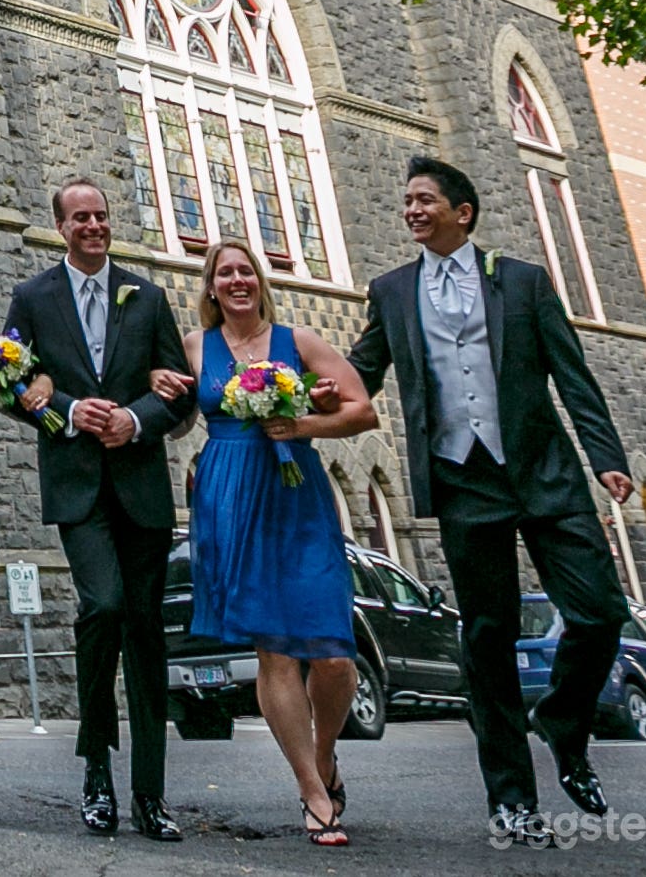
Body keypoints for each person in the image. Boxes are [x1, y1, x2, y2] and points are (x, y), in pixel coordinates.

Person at [341, 155, 632, 848]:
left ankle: (564, 720)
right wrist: (291, 391)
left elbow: (573, 375)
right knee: (488, 639)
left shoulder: (524, 283)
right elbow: (360, 372)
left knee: (600, 612)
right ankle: (511, 800)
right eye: (407, 201)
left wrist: (608, 460)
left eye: (424, 200)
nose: (411, 210)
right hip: (462, 479)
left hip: (544, 475)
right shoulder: (392, 291)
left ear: (461, 213)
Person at [148, 238, 376, 845]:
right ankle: (311, 789)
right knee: (274, 650)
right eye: (225, 273)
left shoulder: (298, 342)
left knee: (332, 651)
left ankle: (324, 755)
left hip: (296, 496)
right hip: (229, 497)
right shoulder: (194, 347)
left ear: (260, 280)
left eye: (246, 270)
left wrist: (305, 423)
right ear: (211, 286)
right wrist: (157, 384)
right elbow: (176, 418)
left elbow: (361, 409)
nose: (237, 280)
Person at [3, 178, 195, 841]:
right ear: (61, 227)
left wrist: (137, 422)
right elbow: (11, 383)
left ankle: (150, 792)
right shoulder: (32, 298)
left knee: (144, 631)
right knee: (104, 605)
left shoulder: (148, 297)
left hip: (141, 488)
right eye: (81, 217)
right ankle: (94, 768)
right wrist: (64, 412)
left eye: (101, 216)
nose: (94, 225)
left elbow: (178, 392)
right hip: (78, 487)